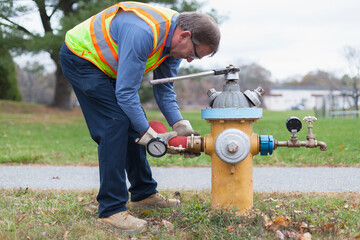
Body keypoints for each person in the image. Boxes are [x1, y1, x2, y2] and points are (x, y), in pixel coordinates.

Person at [59, 1, 220, 234]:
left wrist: (181, 126)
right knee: (115, 124)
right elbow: (126, 93)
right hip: (82, 58)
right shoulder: (144, 32)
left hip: (109, 67)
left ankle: (144, 194)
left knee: (132, 121)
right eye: (194, 54)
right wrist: (146, 132)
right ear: (184, 36)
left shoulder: (174, 43)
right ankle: (110, 210)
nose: (190, 60)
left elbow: (164, 89)